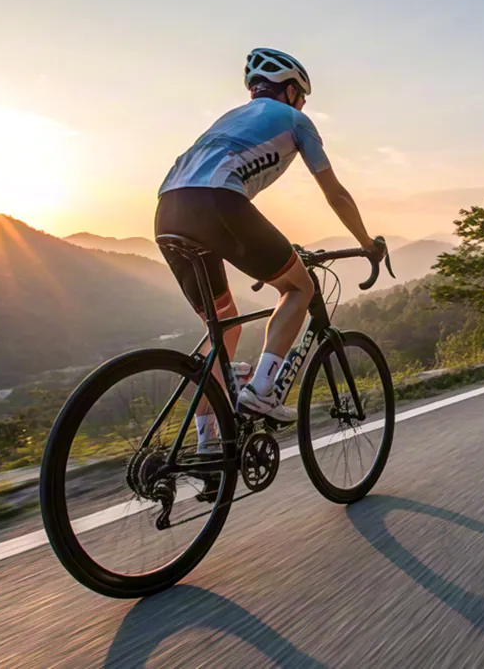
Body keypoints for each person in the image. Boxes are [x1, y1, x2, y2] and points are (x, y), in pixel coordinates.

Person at [155, 47, 379, 456]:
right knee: (299, 288)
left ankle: (209, 445)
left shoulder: (230, 118)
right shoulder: (296, 120)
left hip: (167, 209)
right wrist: (367, 243)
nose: (303, 104)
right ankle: (262, 391)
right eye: (302, 97)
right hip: (217, 202)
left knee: (223, 327)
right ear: (291, 91)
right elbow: (336, 194)